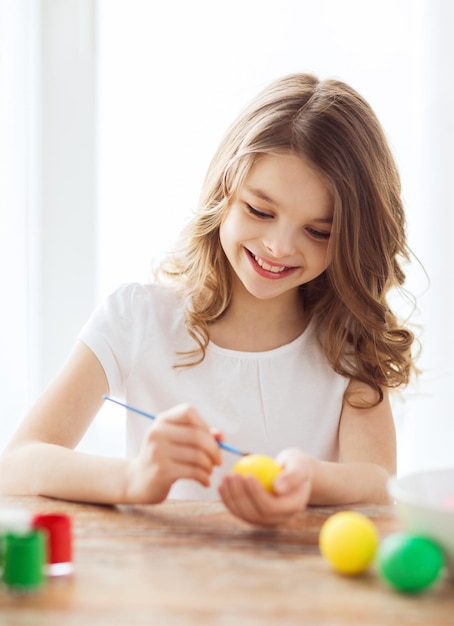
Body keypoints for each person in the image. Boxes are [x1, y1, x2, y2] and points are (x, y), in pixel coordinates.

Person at [0, 73, 417, 526]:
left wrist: (309, 481)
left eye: (318, 231)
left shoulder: (348, 343)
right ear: (224, 190)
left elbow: (379, 484)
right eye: (259, 210)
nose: (278, 246)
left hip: (302, 591)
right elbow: (18, 463)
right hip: (163, 588)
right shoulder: (138, 319)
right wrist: (134, 478)